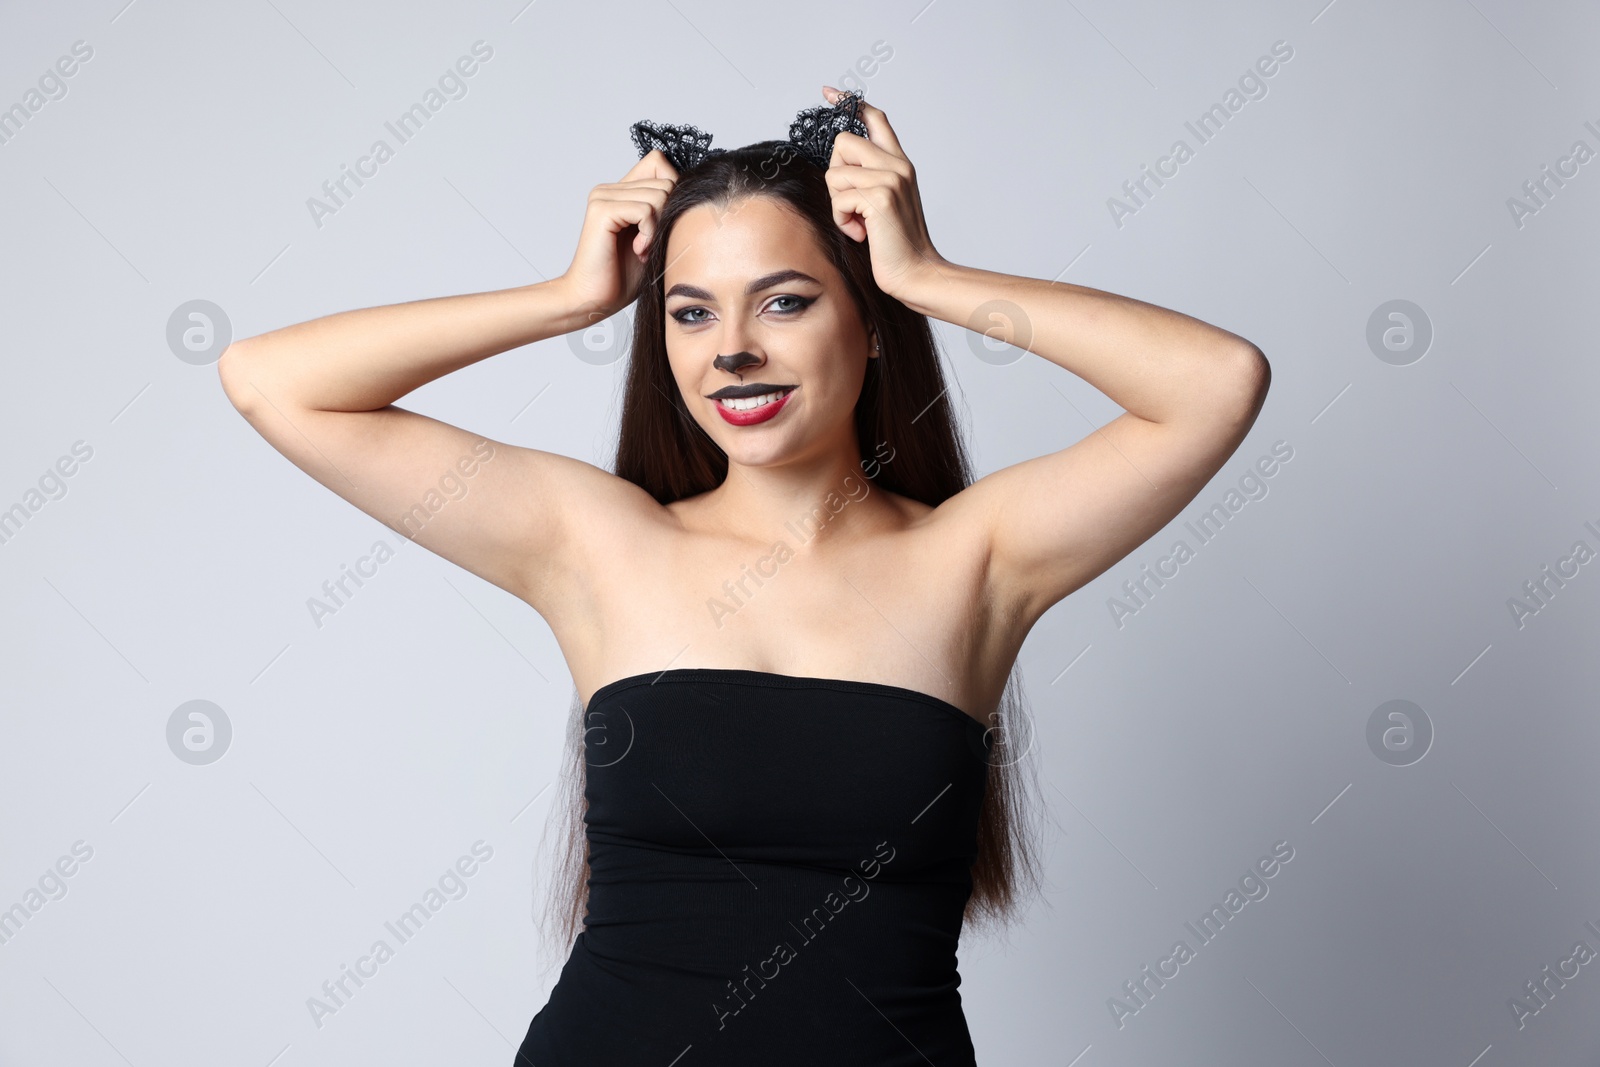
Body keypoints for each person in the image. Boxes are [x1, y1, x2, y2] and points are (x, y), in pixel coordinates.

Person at [218, 85, 1268, 1065]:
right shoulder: (601, 542)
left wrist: (927, 276)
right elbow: (273, 382)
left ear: (865, 323)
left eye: (783, 303)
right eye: (690, 312)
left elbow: (1215, 383)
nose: (730, 351)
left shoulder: (973, 558)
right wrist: (565, 299)